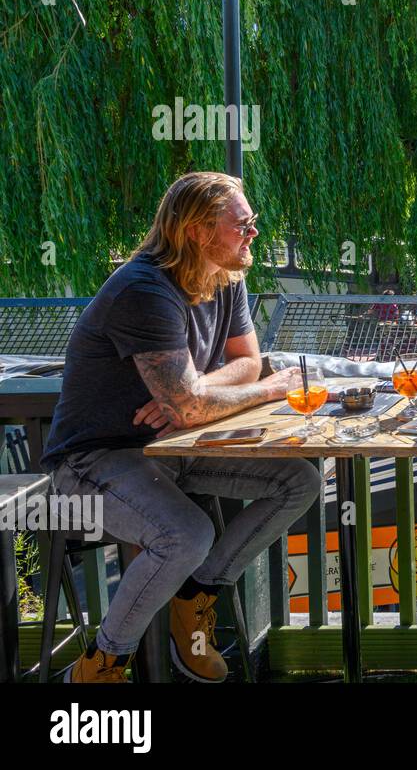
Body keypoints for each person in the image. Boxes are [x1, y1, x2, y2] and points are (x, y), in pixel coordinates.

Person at [42, 172, 321, 683]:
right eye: (243, 224)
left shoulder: (226, 277)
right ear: (197, 230)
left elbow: (246, 363)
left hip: (174, 446)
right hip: (94, 460)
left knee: (299, 481)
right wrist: (265, 390)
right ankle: (101, 665)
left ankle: (196, 596)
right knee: (186, 533)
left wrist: (195, 394)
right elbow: (222, 393)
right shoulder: (144, 288)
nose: (254, 233)